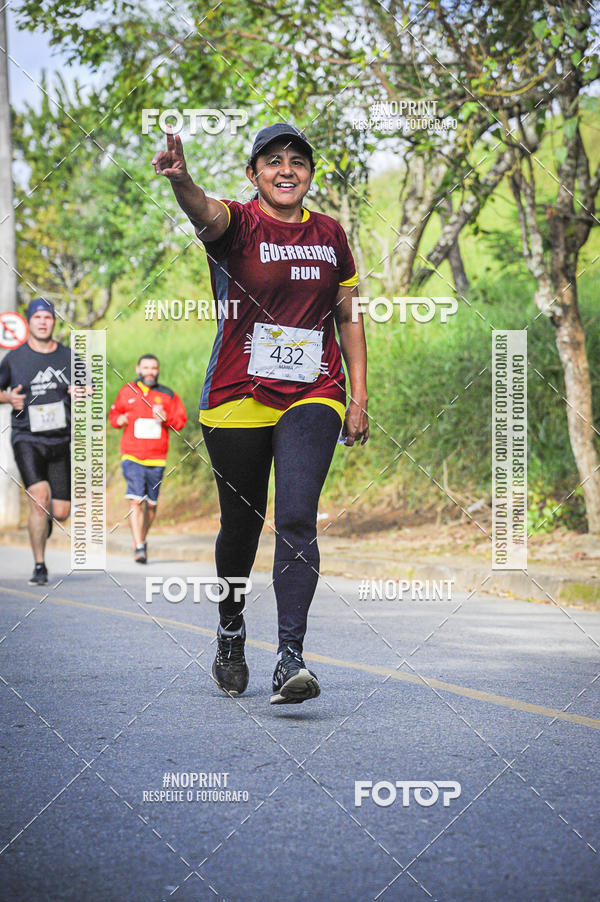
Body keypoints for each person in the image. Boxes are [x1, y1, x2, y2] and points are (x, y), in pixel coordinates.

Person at [152, 122, 369, 704]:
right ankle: (229, 628)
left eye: (298, 161)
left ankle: (290, 658)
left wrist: (359, 398)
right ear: (254, 175)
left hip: (314, 392)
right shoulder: (238, 223)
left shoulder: (331, 235)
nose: (286, 169)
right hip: (236, 395)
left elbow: (349, 316)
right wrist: (182, 180)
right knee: (240, 527)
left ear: (310, 175)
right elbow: (204, 213)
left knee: (297, 516)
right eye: (273, 161)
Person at [0, 297, 77, 585]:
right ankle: (40, 566)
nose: (43, 322)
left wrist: (82, 392)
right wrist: (8, 397)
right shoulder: (15, 358)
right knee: (39, 499)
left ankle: (42, 525)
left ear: (53, 321)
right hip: (27, 438)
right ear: (29, 322)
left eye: (47, 317)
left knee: (60, 512)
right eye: (37, 318)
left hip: (60, 439)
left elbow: (89, 385)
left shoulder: (68, 356)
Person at [108, 354, 187, 563]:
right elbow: (113, 415)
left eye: (154, 368)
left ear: (158, 370)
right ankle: (140, 546)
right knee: (136, 499)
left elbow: (180, 421)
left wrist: (166, 419)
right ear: (138, 369)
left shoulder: (167, 395)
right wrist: (120, 419)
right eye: (146, 368)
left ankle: (141, 539)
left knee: (151, 504)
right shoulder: (127, 392)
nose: (150, 372)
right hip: (132, 454)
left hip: (157, 457)